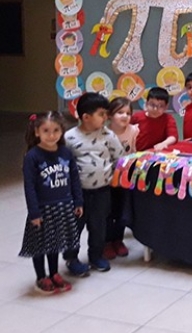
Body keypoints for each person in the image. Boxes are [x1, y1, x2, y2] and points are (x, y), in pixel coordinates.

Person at [19, 111, 81, 294]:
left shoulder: (66, 152)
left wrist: (78, 201)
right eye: (46, 130)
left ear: (62, 131)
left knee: (56, 243)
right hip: (42, 209)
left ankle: (54, 273)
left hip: (63, 207)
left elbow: (74, 178)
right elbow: (29, 186)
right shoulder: (32, 156)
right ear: (37, 132)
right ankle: (41, 277)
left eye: (56, 130)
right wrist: (34, 212)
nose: (51, 135)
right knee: (40, 245)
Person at [63, 93, 123, 275]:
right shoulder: (69, 137)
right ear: (86, 117)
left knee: (99, 226)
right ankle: (71, 258)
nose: (106, 118)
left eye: (106, 114)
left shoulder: (108, 135)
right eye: (101, 114)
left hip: (102, 191)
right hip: (77, 194)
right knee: (74, 226)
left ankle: (96, 255)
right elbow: (64, 165)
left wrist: (116, 178)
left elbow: (119, 158)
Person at [104, 97, 139, 260]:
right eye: (120, 113)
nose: (125, 116)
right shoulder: (104, 133)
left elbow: (135, 151)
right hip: (107, 179)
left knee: (121, 210)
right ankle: (107, 242)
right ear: (110, 115)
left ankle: (118, 240)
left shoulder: (134, 131)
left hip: (125, 178)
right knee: (107, 211)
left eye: (128, 113)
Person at [131, 87, 178, 151]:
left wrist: (164, 144)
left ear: (166, 107)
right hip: (137, 152)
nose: (155, 109)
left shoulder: (168, 118)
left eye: (160, 106)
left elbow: (173, 137)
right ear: (146, 103)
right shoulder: (136, 117)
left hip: (157, 152)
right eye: (152, 105)